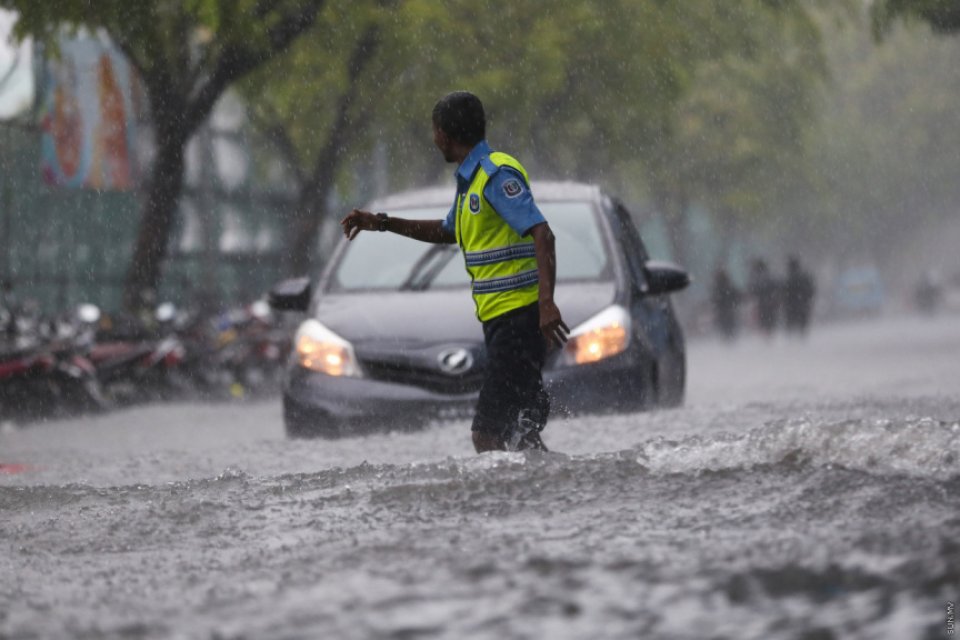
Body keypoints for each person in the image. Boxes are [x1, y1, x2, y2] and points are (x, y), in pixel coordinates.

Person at [340, 91, 569, 453]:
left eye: (435, 132)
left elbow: (543, 233)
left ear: (445, 133)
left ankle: (502, 506)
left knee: (487, 434)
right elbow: (446, 231)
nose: (434, 140)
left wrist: (546, 304)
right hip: (503, 321)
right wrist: (380, 223)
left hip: (518, 321)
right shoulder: (470, 180)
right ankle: (552, 495)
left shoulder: (495, 175)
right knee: (521, 433)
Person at [783, 255, 816, 335]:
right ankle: (801, 339)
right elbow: (811, 290)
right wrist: (808, 299)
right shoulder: (805, 277)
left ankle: (791, 342)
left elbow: (783, 292)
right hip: (803, 304)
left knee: (790, 326)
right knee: (802, 325)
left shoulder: (788, 278)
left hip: (790, 305)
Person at [710, 267, 742, 341]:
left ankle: (727, 341)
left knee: (724, 332)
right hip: (730, 312)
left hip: (722, 313)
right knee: (731, 332)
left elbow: (714, 301)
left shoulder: (716, 288)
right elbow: (736, 297)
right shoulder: (729, 286)